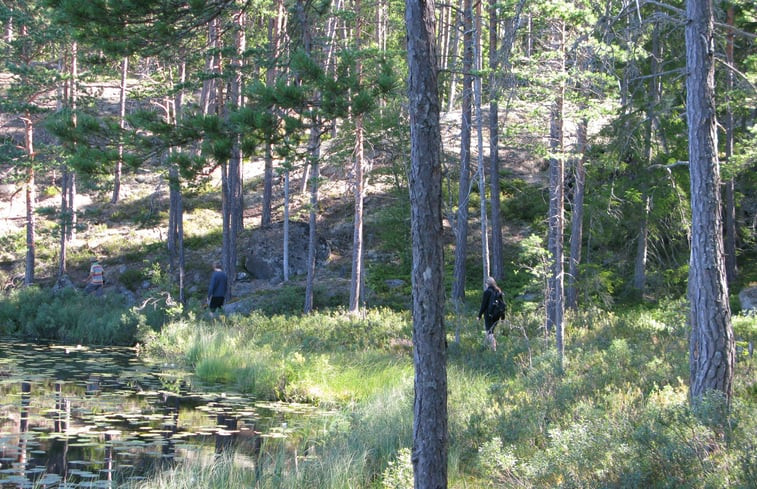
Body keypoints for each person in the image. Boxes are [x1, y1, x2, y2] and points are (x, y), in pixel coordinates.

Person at [477, 276, 503, 351]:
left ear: (487, 284)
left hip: (489, 315)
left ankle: (494, 349)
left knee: (489, 332)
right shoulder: (498, 291)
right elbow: (502, 304)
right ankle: (484, 348)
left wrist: (479, 316)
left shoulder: (487, 292)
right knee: (490, 331)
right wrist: (502, 316)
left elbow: (483, 305)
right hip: (497, 315)